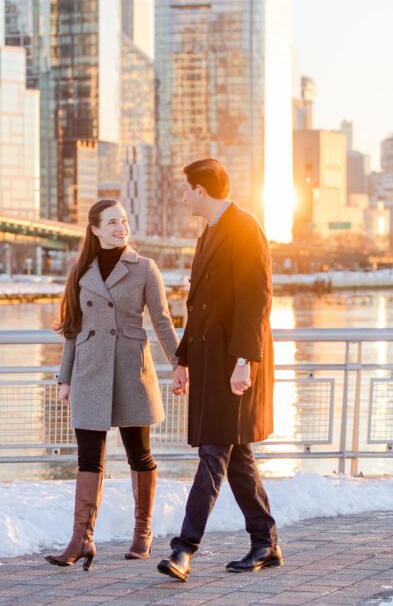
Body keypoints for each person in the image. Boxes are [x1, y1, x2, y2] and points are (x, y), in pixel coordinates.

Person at [157, 158, 281, 582]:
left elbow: (256, 299)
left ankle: (183, 549)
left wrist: (245, 361)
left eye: (187, 189)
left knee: (213, 453)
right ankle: (265, 541)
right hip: (212, 362)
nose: (184, 196)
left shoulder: (245, 227)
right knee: (236, 453)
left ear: (203, 191)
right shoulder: (209, 232)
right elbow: (199, 306)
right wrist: (184, 360)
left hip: (235, 364)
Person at [44, 199, 179, 571]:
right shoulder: (80, 272)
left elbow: (163, 323)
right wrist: (65, 378)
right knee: (89, 457)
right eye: (112, 222)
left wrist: (180, 364)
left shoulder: (144, 269)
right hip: (89, 372)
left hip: (130, 370)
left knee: (139, 453)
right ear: (95, 229)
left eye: (124, 221)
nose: (121, 227)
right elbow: (71, 329)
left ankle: (143, 531)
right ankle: (81, 539)